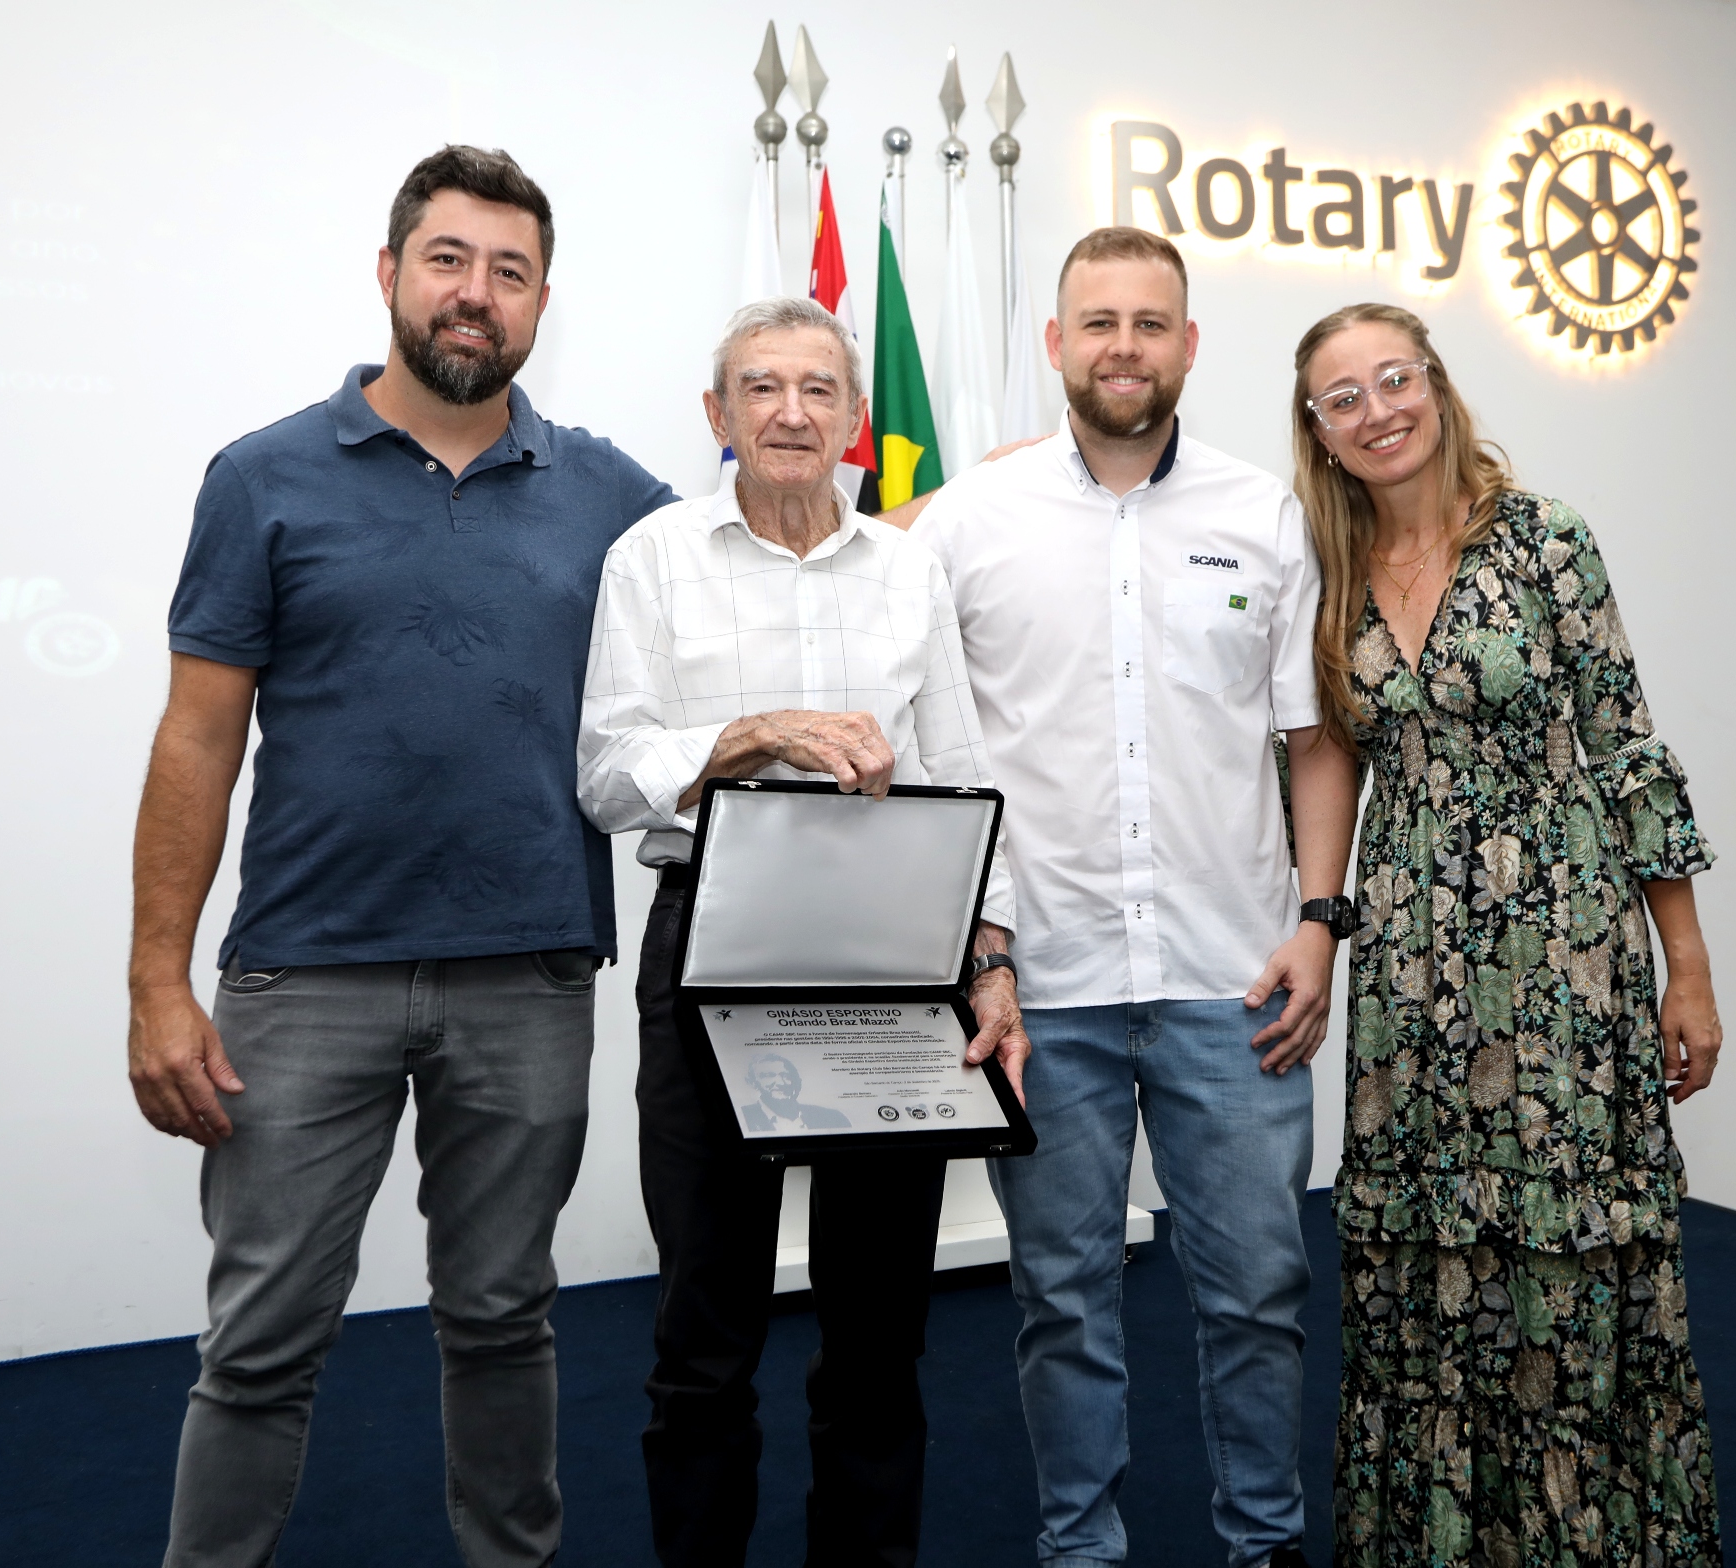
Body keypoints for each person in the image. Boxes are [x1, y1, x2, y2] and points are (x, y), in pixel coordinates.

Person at [125, 145, 675, 1567]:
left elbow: (766, 561)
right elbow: (197, 739)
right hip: (305, 978)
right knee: (260, 1341)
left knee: (503, 1318)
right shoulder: (261, 477)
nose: (475, 293)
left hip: (530, 973)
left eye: (510, 271)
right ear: (389, 273)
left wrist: (972, 502)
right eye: (448, 260)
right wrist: (156, 985)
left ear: (542, 300)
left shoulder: (609, 492)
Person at [908, 228, 1359, 1568]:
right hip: (1043, 988)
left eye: (1149, 323)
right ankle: (1081, 1548)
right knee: (1061, 1298)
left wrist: (1320, 921)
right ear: (1056, 344)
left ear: (1189, 346)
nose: (1123, 346)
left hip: (1236, 980)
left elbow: (1315, 739)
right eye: (1097, 322)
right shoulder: (969, 521)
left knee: (1262, 1293)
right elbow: (935, 744)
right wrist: (977, 946)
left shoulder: (1263, 516)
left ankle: (1265, 1541)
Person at [576, 295, 1027, 1568]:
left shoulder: (909, 567)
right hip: (712, 953)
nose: (790, 412)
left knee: (880, 1335)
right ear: (717, 413)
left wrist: (994, 957)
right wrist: (753, 735)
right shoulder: (651, 558)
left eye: (818, 389)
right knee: (704, 1331)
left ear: (856, 419)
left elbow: (961, 771)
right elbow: (605, 776)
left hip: (897, 957)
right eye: (761, 387)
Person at [1288, 302, 1725, 1567]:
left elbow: (1629, 752)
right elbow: (1327, 758)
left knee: (1565, 1258)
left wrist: (1688, 966)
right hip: (1410, 968)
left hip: (1562, 959)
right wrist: (1320, 922)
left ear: (1435, 383)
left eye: (1395, 378)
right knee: (1423, 1262)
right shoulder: (1326, 571)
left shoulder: (1544, 541)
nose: (1378, 410)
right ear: (1318, 429)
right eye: (1344, 397)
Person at [741, 1054, 852, 1131]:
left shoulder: (833, 1117)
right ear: (753, 1083)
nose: (781, 1082)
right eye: (768, 1076)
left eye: (786, 1076)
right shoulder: (742, 1117)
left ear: (797, 1082)